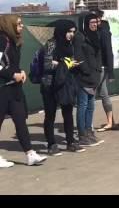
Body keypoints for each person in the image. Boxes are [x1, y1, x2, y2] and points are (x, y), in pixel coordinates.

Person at [0, 15, 48, 167]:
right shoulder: (2, 40)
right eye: (19, 23)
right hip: (3, 88)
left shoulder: (14, 42)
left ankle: (30, 154)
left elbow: (12, 63)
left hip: (14, 88)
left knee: (20, 120)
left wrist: (20, 71)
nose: (22, 26)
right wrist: (13, 74)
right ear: (9, 25)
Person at [40, 19, 85, 154]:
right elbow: (46, 65)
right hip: (50, 84)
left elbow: (65, 62)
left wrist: (68, 63)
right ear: (61, 31)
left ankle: (71, 142)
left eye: (73, 32)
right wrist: (64, 63)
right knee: (50, 115)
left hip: (65, 83)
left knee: (68, 113)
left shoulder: (69, 45)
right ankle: (51, 144)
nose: (71, 34)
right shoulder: (50, 44)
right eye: (69, 31)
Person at [74, 13, 104, 147]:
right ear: (86, 23)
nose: (94, 24)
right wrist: (87, 71)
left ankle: (89, 132)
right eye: (91, 22)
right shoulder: (80, 37)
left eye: (96, 22)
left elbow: (99, 56)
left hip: (94, 77)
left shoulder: (97, 35)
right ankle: (82, 135)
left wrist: (97, 72)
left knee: (91, 106)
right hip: (84, 78)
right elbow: (79, 57)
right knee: (83, 105)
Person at [94, 9, 116, 131]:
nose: (95, 22)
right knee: (103, 93)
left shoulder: (104, 32)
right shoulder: (97, 31)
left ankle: (110, 122)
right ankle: (111, 121)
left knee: (103, 93)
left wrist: (111, 71)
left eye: (96, 19)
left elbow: (108, 51)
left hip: (102, 67)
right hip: (99, 66)